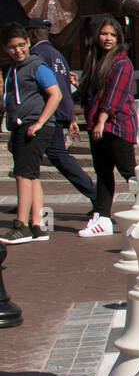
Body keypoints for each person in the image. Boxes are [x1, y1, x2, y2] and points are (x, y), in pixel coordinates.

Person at [28, 27, 98, 219]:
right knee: (26, 155)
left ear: (33, 34)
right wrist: (70, 116)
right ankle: (27, 199)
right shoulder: (59, 55)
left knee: (57, 155)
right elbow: (65, 87)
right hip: (60, 112)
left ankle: (96, 195)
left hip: (47, 114)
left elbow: (53, 89)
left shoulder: (37, 54)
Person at [2, 24, 61, 243]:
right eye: (12, 47)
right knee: (32, 174)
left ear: (28, 43)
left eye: (21, 45)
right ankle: (37, 225)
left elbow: (56, 95)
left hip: (34, 126)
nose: (17, 50)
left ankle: (21, 226)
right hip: (20, 126)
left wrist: (39, 122)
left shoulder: (37, 66)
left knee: (23, 174)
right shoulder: (12, 70)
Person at [80, 16, 138, 236]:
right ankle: (102, 216)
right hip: (98, 125)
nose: (108, 38)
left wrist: (102, 120)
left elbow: (114, 94)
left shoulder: (122, 62)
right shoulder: (96, 61)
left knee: (129, 173)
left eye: (113, 35)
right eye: (104, 33)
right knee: (103, 173)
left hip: (117, 126)